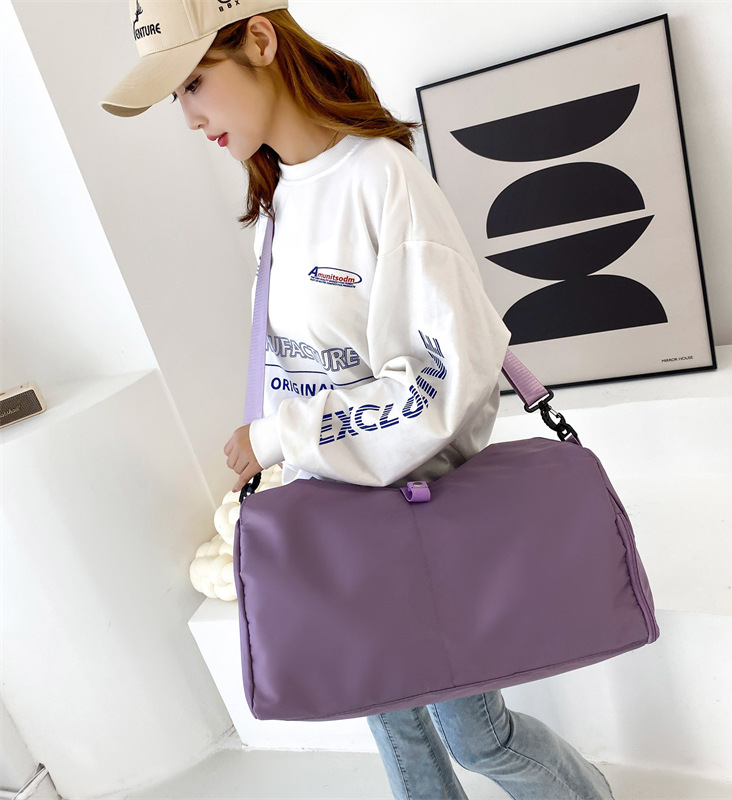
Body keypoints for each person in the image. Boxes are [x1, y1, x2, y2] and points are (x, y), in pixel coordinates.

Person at [102, 2, 615, 798]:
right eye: (177, 96)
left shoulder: (382, 179)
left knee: (476, 734)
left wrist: (278, 436)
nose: (189, 116)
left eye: (195, 82)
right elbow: (302, 365)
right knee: (395, 728)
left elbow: (446, 376)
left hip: (419, 507)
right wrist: (284, 446)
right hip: (334, 513)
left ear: (260, 41)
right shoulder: (279, 199)